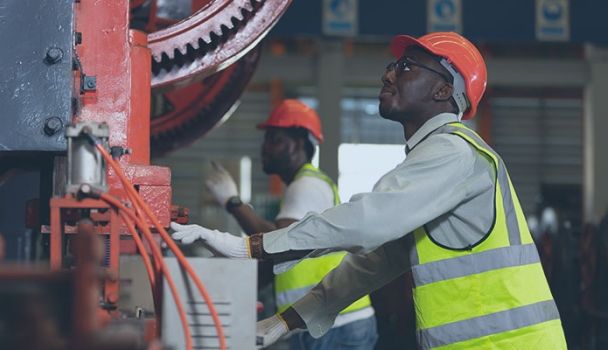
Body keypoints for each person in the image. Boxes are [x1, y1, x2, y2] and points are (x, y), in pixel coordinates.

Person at [171, 32, 567, 349]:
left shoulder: (454, 152)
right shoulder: (431, 164)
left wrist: (249, 246)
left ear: (443, 92)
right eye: (393, 65)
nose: (388, 74)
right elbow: (368, 267)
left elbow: (366, 221)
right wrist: (282, 322)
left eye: (406, 67)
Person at [202, 99, 378, 350]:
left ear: (299, 144)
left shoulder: (306, 186)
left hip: (335, 327)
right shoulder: (305, 186)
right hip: (330, 321)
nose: (265, 147)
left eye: (275, 139)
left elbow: (278, 241)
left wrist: (232, 202)